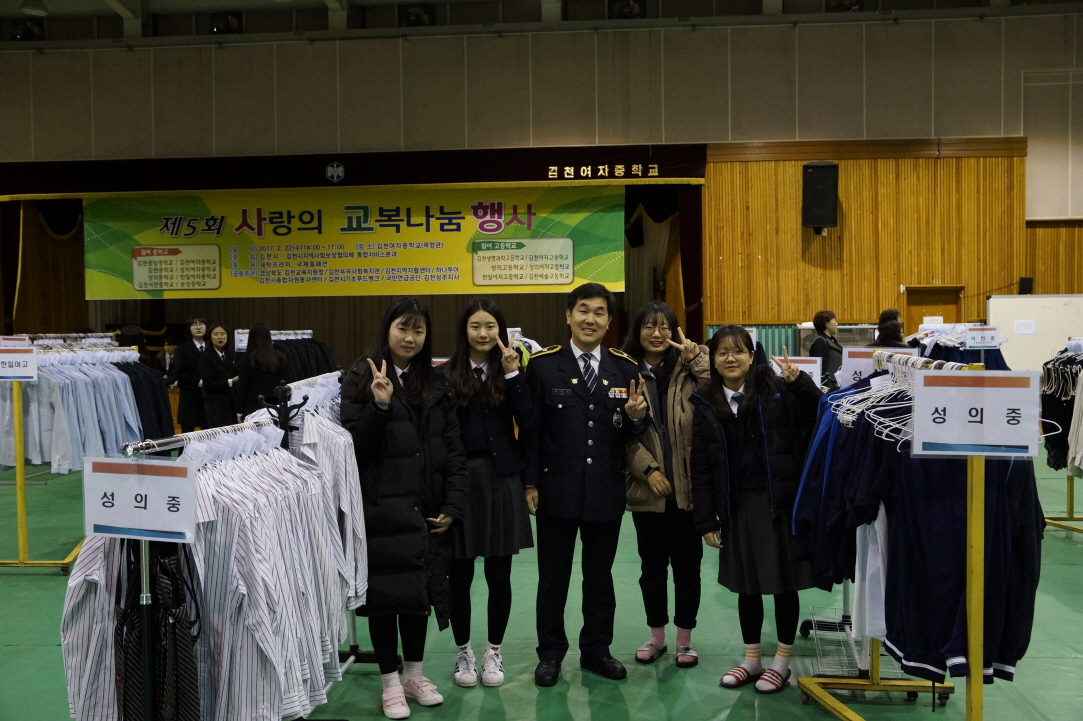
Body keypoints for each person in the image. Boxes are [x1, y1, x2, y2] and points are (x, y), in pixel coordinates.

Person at [340, 298, 468, 720]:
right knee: (384, 599)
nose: (410, 338)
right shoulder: (360, 377)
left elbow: (453, 449)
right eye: (403, 328)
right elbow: (354, 450)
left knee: (417, 597)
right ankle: (390, 682)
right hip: (381, 511)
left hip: (426, 510)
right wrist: (379, 406)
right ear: (387, 329)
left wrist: (452, 503)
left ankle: (414, 675)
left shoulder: (436, 382)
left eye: (418, 330)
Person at [521, 282, 649, 687]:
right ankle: (550, 653)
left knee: (599, 578)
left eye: (599, 312)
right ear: (568, 315)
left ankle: (596, 650)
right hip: (555, 491)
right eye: (583, 310)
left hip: (605, 493)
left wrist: (636, 418)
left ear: (609, 321)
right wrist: (529, 483)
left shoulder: (624, 368)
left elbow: (634, 430)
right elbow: (531, 431)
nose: (590, 319)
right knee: (552, 579)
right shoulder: (543, 366)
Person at [689, 326, 821, 694]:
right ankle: (751, 660)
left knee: (783, 584)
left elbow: (818, 413)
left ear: (751, 355)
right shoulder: (704, 402)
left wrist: (800, 383)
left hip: (777, 501)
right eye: (722, 352)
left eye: (738, 351)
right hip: (736, 506)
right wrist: (706, 519)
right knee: (745, 586)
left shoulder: (776, 388)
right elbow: (700, 465)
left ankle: (781, 662)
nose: (730, 358)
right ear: (713, 360)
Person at [441, 299, 535, 689]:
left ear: (502, 331)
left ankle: (493, 651)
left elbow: (529, 421)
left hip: (502, 480)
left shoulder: (512, 370)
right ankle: (463, 652)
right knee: (459, 576)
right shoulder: (446, 375)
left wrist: (513, 374)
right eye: (476, 326)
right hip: (461, 482)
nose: (483, 333)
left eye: (491, 326)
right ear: (464, 330)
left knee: (500, 575)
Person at [622, 301, 710, 669]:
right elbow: (620, 433)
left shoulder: (690, 368)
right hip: (649, 491)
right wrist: (649, 470)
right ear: (638, 331)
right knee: (652, 569)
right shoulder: (624, 370)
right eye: (649, 326)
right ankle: (656, 636)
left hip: (688, 491)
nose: (656, 334)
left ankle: (684, 640)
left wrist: (695, 360)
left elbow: (717, 397)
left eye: (664, 327)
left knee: (688, 568)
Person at [235, 322, 291, 418]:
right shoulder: (280, 356)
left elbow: (242, 386)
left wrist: (239, 410)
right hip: (276, 406)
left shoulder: (248, 358)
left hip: (254, 407)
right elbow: (287, 380)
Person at [199, 323, 238, 428]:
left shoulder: (228, 356)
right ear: (210, 337)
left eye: (222, 334)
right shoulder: (206, 357)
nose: (220, 337)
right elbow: (208, 384)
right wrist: (231, 382)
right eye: (215, 334)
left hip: (229, 403)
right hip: (214, 404)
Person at [173, 317, 208, 433]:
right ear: (189, 329)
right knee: (187, 434)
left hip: (208, 397)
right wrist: (199, 382)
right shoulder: (182, 348)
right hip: (189, 396)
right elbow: (179, 373)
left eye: (201, 324)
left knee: (208, 433)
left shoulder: (211, 347)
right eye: (194, 325)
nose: (198, 327)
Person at [808, 310, 842, 390]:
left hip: (836, 386)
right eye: (834, 321)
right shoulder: (820, 342)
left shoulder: (834, 341)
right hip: (828, 389)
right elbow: (819, 370)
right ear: (826, 323)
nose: (837, 324)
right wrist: (825, 388)